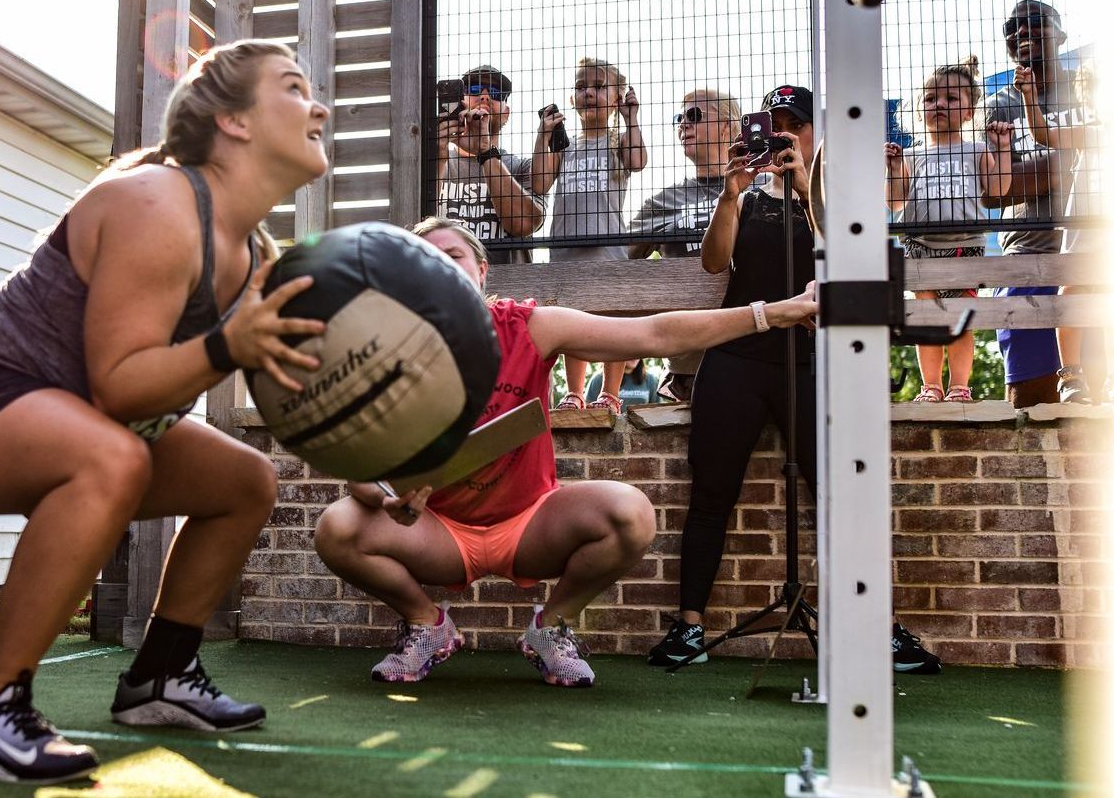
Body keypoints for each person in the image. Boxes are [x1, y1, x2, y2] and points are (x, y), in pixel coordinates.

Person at [0, 41, 330, 783]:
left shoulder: (252, 253)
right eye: (294, 87)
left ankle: (160, 677)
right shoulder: (159, 203)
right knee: (112, 457)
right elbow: (121, 387)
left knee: (244, 481)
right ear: (234, 122)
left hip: (63, 411)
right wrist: (228, 344)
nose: (319, 107)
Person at [314, 217, 817, 688]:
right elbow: (364, 475)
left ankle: (550, 628)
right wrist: (389, 498)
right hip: (441, 533)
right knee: (337, 527)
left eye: (452, 256)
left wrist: (770, 313)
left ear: (482, 271)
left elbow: (654, 334)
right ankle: (427, 626)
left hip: (530, 523)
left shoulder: (531, 327)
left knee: (631, 513)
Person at [647, 86, 942, 675]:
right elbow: (714, 263)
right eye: (774, 127)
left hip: (811, 363)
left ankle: (877, 630)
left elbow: (848, 255)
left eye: (794, 127)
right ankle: (688, 628)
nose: (784, 137)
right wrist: (729, 196)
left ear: (815, 134)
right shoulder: (748, 197)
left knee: (838, 496)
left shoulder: (838, 200)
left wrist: (808, 185)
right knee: (710, 494)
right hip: (736, 359)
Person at [885, 58, 1014, 403]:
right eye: (930, 98)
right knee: (927, 320)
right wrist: (895, 167)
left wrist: (1001, 150)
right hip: (919, 246)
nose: (939, 104)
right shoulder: (912, 155)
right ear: (918, 108)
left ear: (971, 111)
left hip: (963, 246)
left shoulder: (976, 150)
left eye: (951, 99)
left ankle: (959, 386)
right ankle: (931, 386)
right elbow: (895, 203)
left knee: (960, 318)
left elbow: (998, 190)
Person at [532, 56, 646, 413]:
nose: (589, 94)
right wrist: (543, 134)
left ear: (616, 98)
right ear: (572, 99)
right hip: (565, 247)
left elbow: (638, 161)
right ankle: (575, 391)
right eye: (581, 87)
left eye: (599, 87)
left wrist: (632, 119)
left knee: (612, 318)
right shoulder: (565, 146)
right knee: (570, 320)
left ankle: (610, 392)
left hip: (608, 245)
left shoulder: (617, 142)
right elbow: (538, 183)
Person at [984, 0, 1079, 407]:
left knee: (1094, 393)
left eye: (1034, 23)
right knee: (1030, 397)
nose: (1022, 32)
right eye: (1012, 27)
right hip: (1028, 252)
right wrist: (1072, 159)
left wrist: (1031, 171)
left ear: (1060, 34)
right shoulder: (999, 104)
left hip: (1091, 250)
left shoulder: (1088, 86)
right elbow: (994, 191)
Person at [629, 88, 743, 402]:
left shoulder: (758, 190)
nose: (684, 125)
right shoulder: (661, 203)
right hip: (688, 366)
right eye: (680, 118)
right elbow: (620, 259)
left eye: (694, 115)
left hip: (751, 353)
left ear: (727, 127)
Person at [1015, 60, 1105, 402]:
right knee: (1072, 291)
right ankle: (1070, 375)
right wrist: (1029, 96)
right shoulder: (1092, 131)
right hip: (1086, 228)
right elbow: (1042, 134)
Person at [437, 65, 547, 264]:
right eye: (474, 90)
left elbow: (524, 224)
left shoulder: (523, 167)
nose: (485, 97)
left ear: (506, 114)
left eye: (496, 93)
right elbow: (418, 225)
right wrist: (437, 154)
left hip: (511, 290)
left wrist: (485, 152)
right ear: (459, 104)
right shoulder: (438, 160)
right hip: (447, 288)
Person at [584, 360, 662, 410]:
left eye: (638, 352)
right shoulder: (599, 378)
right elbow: (588, 407)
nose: (634, 356)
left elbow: (658, 410)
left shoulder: (650, 379)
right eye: (630, 352)